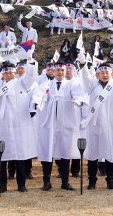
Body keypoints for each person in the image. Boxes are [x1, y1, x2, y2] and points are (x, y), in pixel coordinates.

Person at [0, 53, 37, 193]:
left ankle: (21, 185)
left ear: (15, 73)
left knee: (19, 156)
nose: (8, 75)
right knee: (2, 157)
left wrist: (30, 60)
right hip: (1, 126)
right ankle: (2, 186)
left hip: (18, 126)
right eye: (6, 72)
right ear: (2, 73)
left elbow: (31, 76)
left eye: (11, 72)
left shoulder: (21, 83)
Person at [77, 57, 113, 190]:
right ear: (97, 74)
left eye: (107, 72)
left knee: (110, 152)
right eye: (102, 73)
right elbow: (84, 78)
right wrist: (83, 64)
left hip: (111, 125)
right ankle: (92, 181)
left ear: (112, 73)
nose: (105, 75)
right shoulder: (92, 85)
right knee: (93, 154)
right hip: (94, 125)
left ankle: (111, 181)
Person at [32, 62, 87, 191]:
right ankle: (46, 181)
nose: (60, 73)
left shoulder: (71, 84)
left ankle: (65, 181)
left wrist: (78, 101)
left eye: (62, 70)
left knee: (65, 152)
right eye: (58, 71)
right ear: (53, 72)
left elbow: (79, 95)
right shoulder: (47, 85)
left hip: (65, 124)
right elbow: (38, 96)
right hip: (49, 123)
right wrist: (36, 104)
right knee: (48, 151)